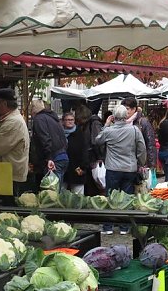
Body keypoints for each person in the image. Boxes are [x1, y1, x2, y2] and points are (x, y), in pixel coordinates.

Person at [94, 104, 146, 235]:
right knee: (126, 197)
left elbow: (97, 141)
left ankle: (108, 226)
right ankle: (124, 226)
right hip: (130, 168)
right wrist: (140, 162)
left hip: (113, 168)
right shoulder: (134, 130)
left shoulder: (108, 131)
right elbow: (142, 148)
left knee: (111, 196)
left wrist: (106, 124)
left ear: (113, 117)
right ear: (126, 116)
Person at [29, 99, 68, 188]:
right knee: (57, 191)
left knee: (51, 193)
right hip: (63, 156)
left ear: (33, 110)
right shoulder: (53, 118)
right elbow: (64, 139)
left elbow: (45, 139)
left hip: (53, 159)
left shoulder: (39, 119)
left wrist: (49, 158)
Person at [122, 97, 157, 175]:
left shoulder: (143, 122)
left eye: (127, 109)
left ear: (134, 109)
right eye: (123, 109)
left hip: (139, 163)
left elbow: (150, 144)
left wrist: (151, 165)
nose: (125, 111)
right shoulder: (120, 122)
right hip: (125, 163)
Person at [62, 110, 89, 195]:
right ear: (63, 121)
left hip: (77, 168)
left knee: (78, 195)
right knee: (62, 194)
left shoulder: (80, 133)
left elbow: (84, 150)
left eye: (71, 120)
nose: (69, 121)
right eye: (67, 120)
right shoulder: (60, 134)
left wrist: (83, 167)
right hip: (64, 168)